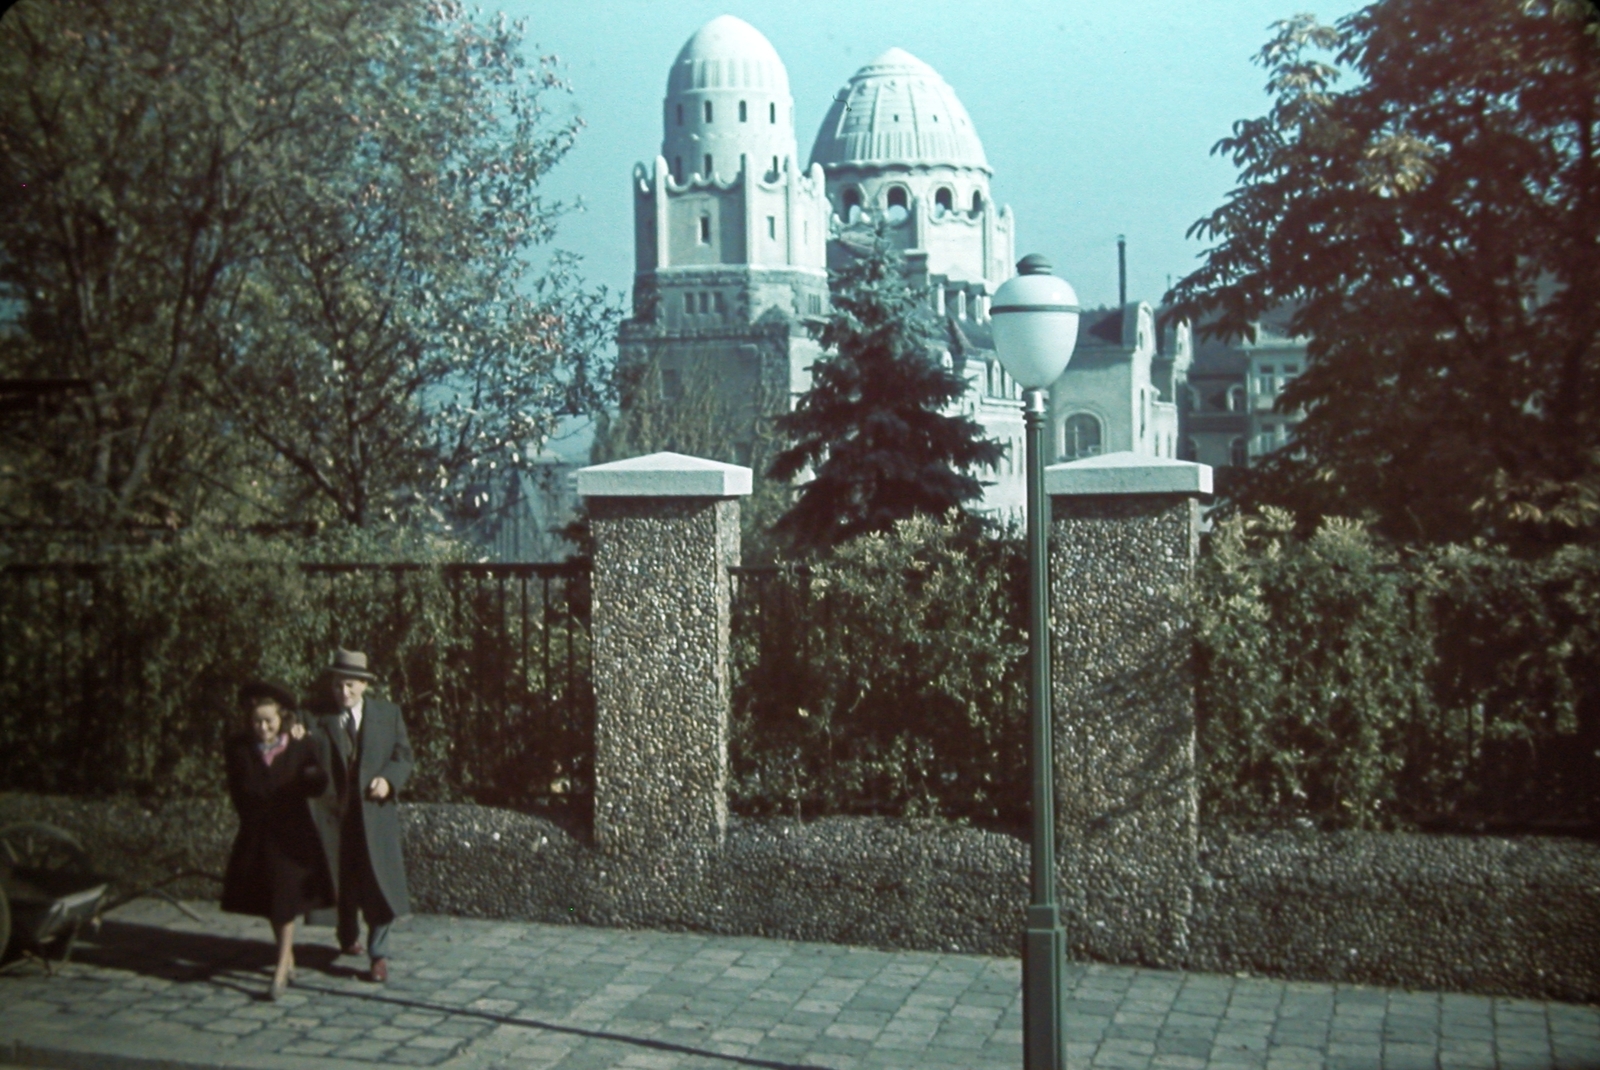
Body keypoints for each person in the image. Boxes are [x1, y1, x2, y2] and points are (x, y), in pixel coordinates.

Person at [220, 680, 335, 1001]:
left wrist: (312, 775)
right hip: (259, 835)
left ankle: (281, 966)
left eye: (269, 720)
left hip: (293, 837)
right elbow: (236, 790)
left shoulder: (299, 744)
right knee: (274, 902)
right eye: (257, 721)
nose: (263, 727)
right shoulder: (239, 748)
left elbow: (317, 783)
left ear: (282, 717)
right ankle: (288, 956)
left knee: (285, 902)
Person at [307, 649, 414, 984]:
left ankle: (378, 954)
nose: (344, 692)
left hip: (373, 816)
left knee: (378, 885)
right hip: (334, 816)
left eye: (351, 685)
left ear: (365, 685)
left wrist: (389, 780)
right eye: (339, 684)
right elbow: (302, 754)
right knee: (342, 882)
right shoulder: (316, 717)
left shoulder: (387, 714)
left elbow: (404, 756)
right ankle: (346, 935)